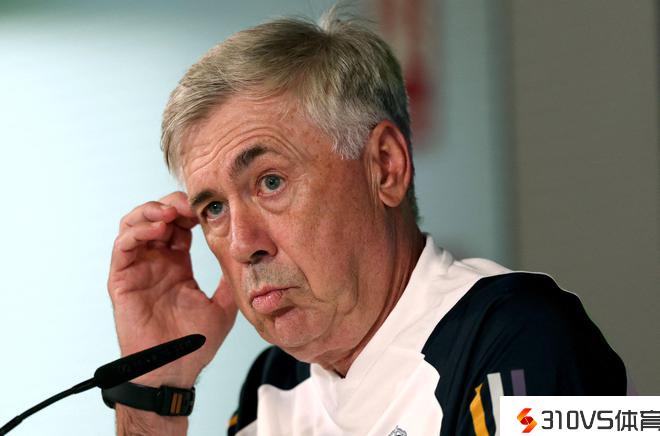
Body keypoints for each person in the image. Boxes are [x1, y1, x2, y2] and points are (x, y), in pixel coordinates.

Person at [105, 8, 627, 436]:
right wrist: (154, 388)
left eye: (271, 182)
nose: (243, 244)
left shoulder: (526, 336)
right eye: (214, 209)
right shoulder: (273, 386)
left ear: (385, 167)